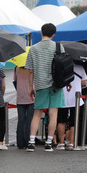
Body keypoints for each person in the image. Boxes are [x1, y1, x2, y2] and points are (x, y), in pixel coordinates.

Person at [25, 23, 65, 152]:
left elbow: (30, 70)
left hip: (41, 84)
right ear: (54, 34)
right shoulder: (59, 47)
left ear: (41, 33)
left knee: (37, 114)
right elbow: (64, 67)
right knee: (53, 114)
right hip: (56, 85)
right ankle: (49, 142)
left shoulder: (33, 49)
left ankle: (31, 142)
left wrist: (31, 86)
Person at [60, 63, 87, 150]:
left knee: (61, 121)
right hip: (76, 98)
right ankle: (71, 143)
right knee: (74, 122)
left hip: (62, 97)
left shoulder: (60, 66)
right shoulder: (80, 67)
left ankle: (61, 143)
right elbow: (84, 82)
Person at [14, 66, 34, 149]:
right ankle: (28, 141)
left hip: (20, 97)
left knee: (21, 120)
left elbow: (15, 81)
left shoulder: (16, 68)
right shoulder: (32, 68)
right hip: (31, 97)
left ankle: (20, 142)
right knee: (29, 120)